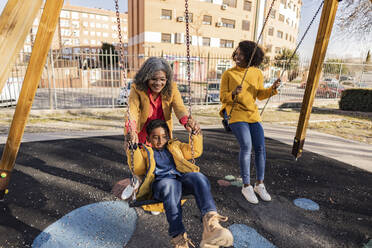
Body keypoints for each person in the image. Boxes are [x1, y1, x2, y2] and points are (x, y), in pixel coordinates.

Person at [125, 119, 233, 248]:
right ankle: (178, 238)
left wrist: (195, 134)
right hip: (161, 185)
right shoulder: (145, 152)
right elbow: (137, 168)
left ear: (169, 136)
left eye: (164, 137)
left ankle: (211, 225)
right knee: (170, 184)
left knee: (198, 176)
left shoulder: (175, 146)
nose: (160, 141)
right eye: (156, 138)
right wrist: (133, 147)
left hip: (180, 180)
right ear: (148, 138)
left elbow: (195, 152)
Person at [219, 40, 280, 204]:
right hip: (235, 114)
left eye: (241, 54)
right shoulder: (229, 74)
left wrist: (272, 89)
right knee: (247, 146)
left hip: (252, 114)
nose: (237, 56)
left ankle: (259, 184)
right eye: (236, 53)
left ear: (250, 56)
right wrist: (233, 93)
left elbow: (260, 95)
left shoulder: (257, 73)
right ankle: (246, 185)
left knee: (260, 147)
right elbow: (222, 97)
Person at [124, 57, 200, 146]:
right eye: (154, 79)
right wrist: (131, 130)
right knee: (141, 158)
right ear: (146, 78)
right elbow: (132, 111)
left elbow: (179, 108)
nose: (158, 83)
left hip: (162, 135)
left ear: (167, 79)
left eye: (162, 79)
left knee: (164, 158)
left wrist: (187, 122)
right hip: (143, 134)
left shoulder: (172, 89)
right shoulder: (137, 89)